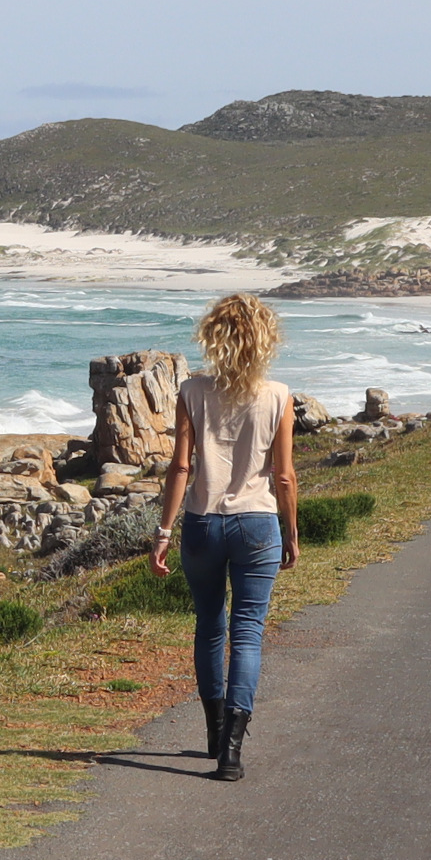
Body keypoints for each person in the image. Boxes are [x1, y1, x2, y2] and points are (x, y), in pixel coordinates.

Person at [145, 292, 298, 781]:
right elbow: (285, 476)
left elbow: (181, 467)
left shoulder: (191, 390)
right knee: (247, 632)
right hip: (257, 524)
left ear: (214, 336)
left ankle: (213, 733)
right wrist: (291, 531)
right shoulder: (279, 396)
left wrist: (163, 532)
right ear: (264, 339)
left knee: (210, 624)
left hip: (203, 523)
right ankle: (231, 751)